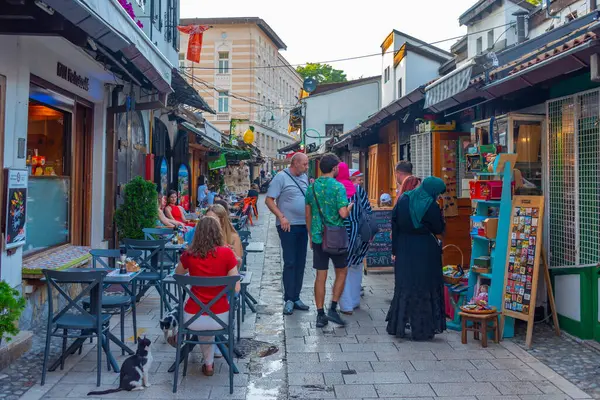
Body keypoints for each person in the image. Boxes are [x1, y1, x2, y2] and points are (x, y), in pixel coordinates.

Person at [174, 217, 240, 376]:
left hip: (192, 318)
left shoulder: (189, 254)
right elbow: (236, 289)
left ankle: (208, 364)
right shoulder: (227, 253)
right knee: (209, 317)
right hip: (221, 316)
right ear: (218, 232)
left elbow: (178, 274)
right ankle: (208, 364)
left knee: (202, 319)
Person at [386, 176, 447, 341]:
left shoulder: (405, 198)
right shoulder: (431, 206)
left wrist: (395, 249)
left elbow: (394, 223)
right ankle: (422, 328)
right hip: (424, 249)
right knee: (423, 285)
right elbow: (438, 228)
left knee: (405, 285)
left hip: (404, 247)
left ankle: (398, 325)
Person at [305, 153, 354, 327]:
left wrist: (311, 236)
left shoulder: (311, 188)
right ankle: (332, 308)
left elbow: (308, 214)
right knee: (341, 271)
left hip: (319, 237)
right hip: (336, 238)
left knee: (320, 275)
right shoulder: (338, 187)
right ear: (335, 168)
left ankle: (320, 314)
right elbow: (343, 214)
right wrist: (349, 207)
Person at [265, 152, 310, 315]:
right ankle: (289, 299)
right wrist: (281, 217)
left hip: (303, 225)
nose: (307, 167)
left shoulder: (304, 177)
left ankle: (296, 297)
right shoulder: (280, 178)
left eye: (307, 164)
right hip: (287, 226)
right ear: (295, 163)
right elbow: (269, 200)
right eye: (304, 164)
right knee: (290, 261)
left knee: (301, 262)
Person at [336, 164, 372, 315]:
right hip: (360, 233)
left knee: (343, 267)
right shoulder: (358, 191)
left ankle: (346, 304)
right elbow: (368, 211)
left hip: (342, 233)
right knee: (356, 265)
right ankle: (355, 299)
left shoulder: (336, 189)